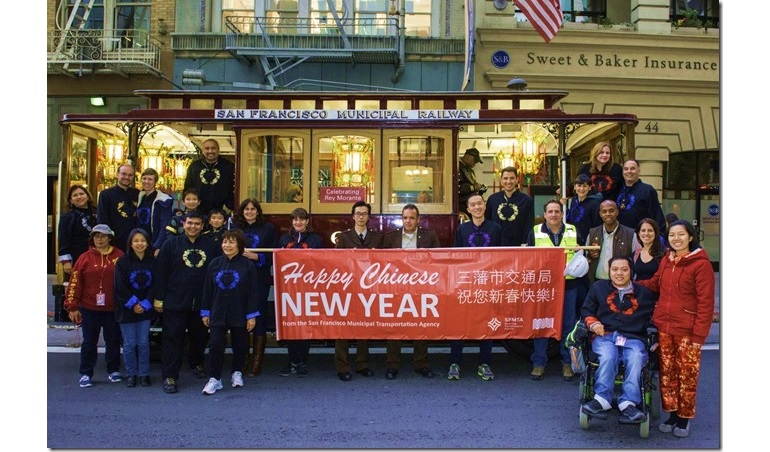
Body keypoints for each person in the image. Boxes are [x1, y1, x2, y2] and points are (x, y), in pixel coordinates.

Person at [637, 220, 715, 438]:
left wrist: (700, 334)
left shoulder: (701, 265)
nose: (676, 239)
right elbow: (654, 284)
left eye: (681, 234)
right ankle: (671, 413)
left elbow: (706, 303)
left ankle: (684, 417)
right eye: (672, 235)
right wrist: (627, 284)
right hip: (664, 326)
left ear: (690, 237)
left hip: (688, 330)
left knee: (687, 375)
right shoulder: (666, 260)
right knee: (667, 373)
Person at [579, 256, 658, 423]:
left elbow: (654, 317)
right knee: (608, 356)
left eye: (624, 269)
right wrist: (593, 324)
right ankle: (602, 399)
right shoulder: (598, 288)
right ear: (609, 271)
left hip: (633, 337)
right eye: (615, 269)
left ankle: (628, 402)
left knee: (636, 357)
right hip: (605, 335)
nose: (619, 273)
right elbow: (587, 310)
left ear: (631, 271)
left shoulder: (643, 293)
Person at [154, 211, 222, 394]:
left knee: (199, 336)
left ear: (202, 226)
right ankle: (169, 376)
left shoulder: (211, 246)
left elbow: (217, 272)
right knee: (172, 339)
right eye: (190, 223)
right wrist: (159, 299)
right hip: (175, 300)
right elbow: (160, 272)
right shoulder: (170, 244)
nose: (193, 227)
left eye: (197, 224)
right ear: (183, 224)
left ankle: (196, 363)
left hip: (201, 301)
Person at [526, 199, 587, 381]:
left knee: (568, 324)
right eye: (550, 211)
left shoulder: (573, 231)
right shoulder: (535, 232)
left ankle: (567, 362)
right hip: (544, 285)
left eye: (556, 211)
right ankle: (539, 363)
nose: (553, 214)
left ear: (562, 214)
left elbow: (583, 257)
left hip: (569, 285)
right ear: (544, 215)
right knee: (541, 323)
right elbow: (528, 259)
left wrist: (581, 252)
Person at [382, 204, 441, 380]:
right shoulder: (390, 237)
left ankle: (421, 364)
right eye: (405, 217)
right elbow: (382, 263)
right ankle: (392, 365)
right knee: (394, 328)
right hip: (396, 288)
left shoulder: (430, 236)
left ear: (418, 219)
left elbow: (437, 261)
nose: (408, 221)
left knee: (421, 327)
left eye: (411, 218)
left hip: (421, 288)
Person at [200, 229, 260, 395]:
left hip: (240, 311)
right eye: (225, 242)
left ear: (239, 245)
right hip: (217, 310)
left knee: (240, 344)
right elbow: (207, 289)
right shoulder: (214, 263)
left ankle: (237, 372)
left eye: (231, 242)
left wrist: (251, 315)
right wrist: (205, 311)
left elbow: (253, 292)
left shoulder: (248, 265)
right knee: (215, 344)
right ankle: (214, 378)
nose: (227, 245)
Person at [64, 224, 125, 388]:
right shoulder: (84, 258)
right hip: (89, 307)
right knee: (89, 341)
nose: (99, 239)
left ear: (109, 237)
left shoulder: (119, 256)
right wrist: (72, 306)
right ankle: (85, 373)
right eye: (96, 236)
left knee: (113, 340)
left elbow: (126, 281)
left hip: (113, 308)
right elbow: (74, 283)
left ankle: (113, 370)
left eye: (103, 236)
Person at [449, 192, 500, 381]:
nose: (477, 207)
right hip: (466, 284)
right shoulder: (462, 230)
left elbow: (503, 258)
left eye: (480, 203)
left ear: (485, 206)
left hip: (488, 283)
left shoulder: (495, 228)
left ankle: (484, 363)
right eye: (473, 205)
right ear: (468, 209)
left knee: (487, 323)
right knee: (460, 323)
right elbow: (455, 257)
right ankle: (455, 362)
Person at [334, 200, 383, 381]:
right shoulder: (344, 238)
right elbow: (336, 263)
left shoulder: (378, 238)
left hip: (368, 289)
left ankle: (362, 364)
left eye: (364, 214)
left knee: (364, 328)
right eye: (358, 214)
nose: (361, 217)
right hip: (347, 288)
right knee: (343, 328)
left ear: (369, 217)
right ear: (353, 216)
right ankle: (342, 366)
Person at [229, 198, 278, 377]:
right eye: (246, 209)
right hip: (238, 279)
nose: (249, 212)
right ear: (242, 212)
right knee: (240, 319)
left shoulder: (269, 229)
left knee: (259, 317)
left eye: (253, 209)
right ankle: (242, 360)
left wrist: (257, 258)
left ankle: (257, 362)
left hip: (260, 279)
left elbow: (276, 255)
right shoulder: (234, 230)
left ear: (258, 211)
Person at [277, 207, 324, 377]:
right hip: (288, 288)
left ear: (307, 221)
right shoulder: (283, 239)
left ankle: (303, 361)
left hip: (308, 288)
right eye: (295, 219)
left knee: (304, 325)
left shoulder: (316, 240)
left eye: (301, 219)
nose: (298, 222)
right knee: (290, 324)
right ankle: (292, 361)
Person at [114, 228, 157, 388]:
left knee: (144, 343)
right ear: (130, 243)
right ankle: (131, 374)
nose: (140, 244)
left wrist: (145, 304)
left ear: (147, 243)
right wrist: (134, 304)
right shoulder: (122, 262)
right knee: (129, 343)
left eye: (143, 240)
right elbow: (120, 286)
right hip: (127, 309)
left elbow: (155, 285)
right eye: (136, 241)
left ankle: (144, 374)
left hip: (145, 309)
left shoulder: (153, 262)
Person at [586, 200, 639, 284]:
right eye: (604, 211)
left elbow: (637, 261)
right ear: (600, 214)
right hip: (597, 282)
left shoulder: (631, 235)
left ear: (617, 212)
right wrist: (590, 255)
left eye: (611, 211)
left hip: (621, 283)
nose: (608, 214)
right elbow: (586, 259)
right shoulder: (592, 233)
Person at [184, 138, 235, 216]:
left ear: (218, 150)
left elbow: (234, 188)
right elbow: (187, 188)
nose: (210, 151)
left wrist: (228, 206)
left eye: (213, 148)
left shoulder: (228, 166)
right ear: (202, 150)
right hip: (197, 212)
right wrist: (190, 205)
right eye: (207, 148)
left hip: (221, 213)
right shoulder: (194, 166)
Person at [485, 166, 534, 247]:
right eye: (505, 178)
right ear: (501, 180)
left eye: (512, 178)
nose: (508, 181)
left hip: (518, 245)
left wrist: (525, 243)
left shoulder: (526, 200)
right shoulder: (493, 199)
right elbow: (487, 222)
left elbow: (528, 224)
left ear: (517, 180)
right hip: (496, 244)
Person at [97, 163, 139, 252]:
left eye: (130, 175)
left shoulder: (137, 194)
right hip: (114, 242)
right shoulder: (106, 194)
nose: (127, 177)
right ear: (117, 174)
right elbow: (102, 219)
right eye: (124, 174)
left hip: (136, 242)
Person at [58, 184, 98, 279]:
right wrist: (66, 262)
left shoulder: (98, 212)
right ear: (71, 200)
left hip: (98, 255)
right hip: (78, 257)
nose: (79, 197)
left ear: (87, 196)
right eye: (75, 195)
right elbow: (63, 239)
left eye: (81, 194)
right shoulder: (67, 217)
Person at [616, 159, 666, 233]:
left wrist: (660, 237)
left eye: (632, 168)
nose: (629, 171)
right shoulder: (616, 189)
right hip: (619, 236)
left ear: (639, 171)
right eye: (626, 169)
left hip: (640, 237)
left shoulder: (647, 190)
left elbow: (657, 216)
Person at [136, 168, 174, 254]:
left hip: (154, 242)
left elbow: (164, 226)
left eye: (150, 179)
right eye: (144, 178)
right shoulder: (140, 197)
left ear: (155, 182)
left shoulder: (163, 200)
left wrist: (158, 246)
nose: (146, 181)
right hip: (140, 242)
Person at [565, 174, 601, 242]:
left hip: (587, 240)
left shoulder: (594, 203)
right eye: (579, 186)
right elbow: (567, 220)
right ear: (575, 187)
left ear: (589, 187)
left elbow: (596, 225)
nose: (582, 189)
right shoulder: (570, 201)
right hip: (571, 240)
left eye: (585, 186)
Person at [458, 148, 487, 217]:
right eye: (475, 160)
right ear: (468, 156)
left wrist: (480, 189)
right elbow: (457, 188)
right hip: (462, 206)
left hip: (469, 204)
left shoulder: (469, 171)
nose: (475, 163)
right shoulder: (457, 168)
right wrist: (473, 187)